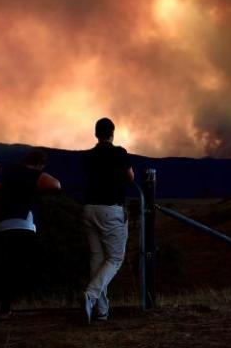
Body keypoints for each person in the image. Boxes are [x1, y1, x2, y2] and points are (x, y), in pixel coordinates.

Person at [0, 150, 60, 319]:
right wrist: (39, 174)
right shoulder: (30, 174)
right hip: (20, 223)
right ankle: (2, 306)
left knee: (6, 265)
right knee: (19, 266)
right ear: (39, 164)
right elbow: (55, 184)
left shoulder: (10, 174)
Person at [81, 117, 134, 323]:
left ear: (96, 134)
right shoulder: (119, 153)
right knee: (115, 259)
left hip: (89, 209)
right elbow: (130, 177)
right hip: (110, 210)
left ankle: (100, 311)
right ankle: (91, 295)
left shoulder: (88, 157)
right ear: (112, 133)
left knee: (97, 258)